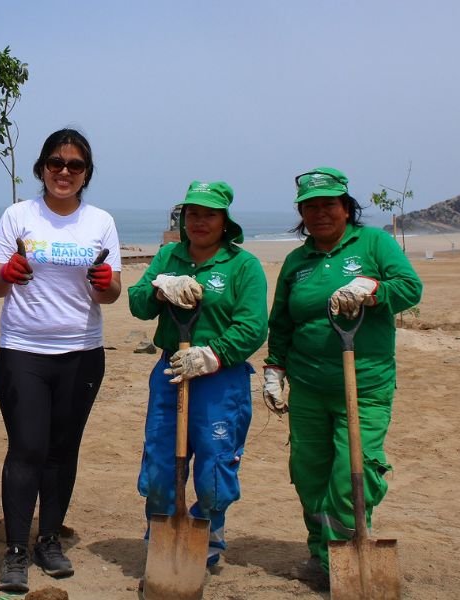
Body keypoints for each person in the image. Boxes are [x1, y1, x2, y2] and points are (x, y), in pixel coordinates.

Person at [263, 167, 422, 583]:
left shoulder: (374, 243)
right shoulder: (298, 261)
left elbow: (409, 287)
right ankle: (322, 553)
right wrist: (274, 367)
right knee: (309, 472)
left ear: (346, 208)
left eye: (329, 204)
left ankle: (345, 555)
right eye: (310, 206)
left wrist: (373, 292)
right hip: (309, 386)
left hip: (365, 385)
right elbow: (281, 320)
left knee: (354, 471)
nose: (320, 213)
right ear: (301, 212)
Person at [0, 128, 122, 594]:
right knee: (27, 448)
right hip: (24, 350)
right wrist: (7, 272)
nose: (64, 172)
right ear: (42, 167)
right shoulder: (18, 215)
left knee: (63, 451)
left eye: (75, 165)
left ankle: (49, 539)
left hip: (82, 352)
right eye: (56, 163)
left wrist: (104, 281)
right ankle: (16, 551)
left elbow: (112, 294)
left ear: (86, 174)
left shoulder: (100, 221)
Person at [128, 180, 268, 570]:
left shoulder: (243, 266)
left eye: (209, 214)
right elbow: (137, 304)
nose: (199, 222)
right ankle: (162, 530)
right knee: (160, 461)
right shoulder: (168, 257)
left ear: (225, 221)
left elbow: (254, 326)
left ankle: (208, 531)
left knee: (214, 465)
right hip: (171, 371)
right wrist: (160, 289)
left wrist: (215, 354)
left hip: (221, 380)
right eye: (193, 214)